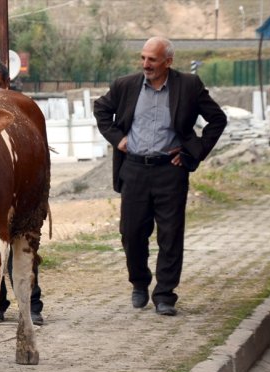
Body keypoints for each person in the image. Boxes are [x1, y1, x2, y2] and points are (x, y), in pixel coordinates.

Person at [93, 37, 226, 316]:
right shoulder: (125, 85)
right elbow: (101, 109)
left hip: (171, 170)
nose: (145, 64)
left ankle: (165, 294)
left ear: (168, 61)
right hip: (134, 169)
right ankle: (139, 282)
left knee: (170, 235)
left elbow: (217, 119)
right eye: (143, 58)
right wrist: (117, 139)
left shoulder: (189, 85)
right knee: (131, 233)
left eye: (152, 60)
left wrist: (194, 153)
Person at [0, 60, 45, 326]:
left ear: (7, 84)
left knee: (23, 241)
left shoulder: (21, 108)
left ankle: (32, 305)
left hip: (19, 189)